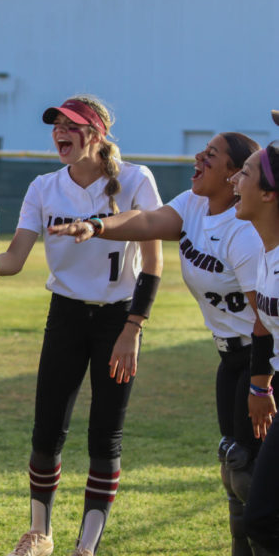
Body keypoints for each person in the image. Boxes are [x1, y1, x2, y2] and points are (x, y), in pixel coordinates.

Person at [48, 132, 269, 555]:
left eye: (212, 155)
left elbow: (267, 319)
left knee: (249, 471)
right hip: (230, 355)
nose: (199, 159)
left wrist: (262, 384)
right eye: (201, 151)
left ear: (233, 174)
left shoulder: (242, 235)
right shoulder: (193, 205)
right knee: (233, 464)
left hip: (261, 355)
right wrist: (97, 226)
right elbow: (145, 221)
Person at [0, 96, 163, 556]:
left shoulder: (135, 179)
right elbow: (16, 257)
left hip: (119, 317)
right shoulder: (44, 186)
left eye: (71, 125)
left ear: (95, 134)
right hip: (67, 315)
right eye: (55, 124)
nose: (59, 131)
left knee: (105, 433)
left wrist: (133, 328)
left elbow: (154, 262)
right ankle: (40, 534)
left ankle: (86, 547)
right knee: (47, 430)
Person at [230, 142, 279, 554]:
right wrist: (260, 386)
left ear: (269, 192)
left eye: (244, 172)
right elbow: (263, 325)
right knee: (261, 520)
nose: (234, 180)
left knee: (263, 518)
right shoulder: (266, 251)